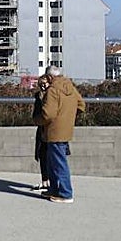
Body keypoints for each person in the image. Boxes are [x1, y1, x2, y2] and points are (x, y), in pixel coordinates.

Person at [32, 65, 86, 203]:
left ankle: (65, 193)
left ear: (50, 77)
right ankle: (54, 190)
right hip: (65, 129)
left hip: (53, 131)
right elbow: (81, 105)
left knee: (59, 163)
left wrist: (37, 120)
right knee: (53, 162)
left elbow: (48, 114)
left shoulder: (53, 90)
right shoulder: (70, 87)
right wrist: (67, 117)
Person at [30, 73, 52, 191]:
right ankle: (45, 181)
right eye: (40, 84)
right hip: (41, 128)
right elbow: (36, 112)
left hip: (51, 129)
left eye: (45, 84)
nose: (43, 86)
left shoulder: (53, 95)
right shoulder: (38, 96)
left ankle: (51, 181)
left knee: (51, 155)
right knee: (42, 154)